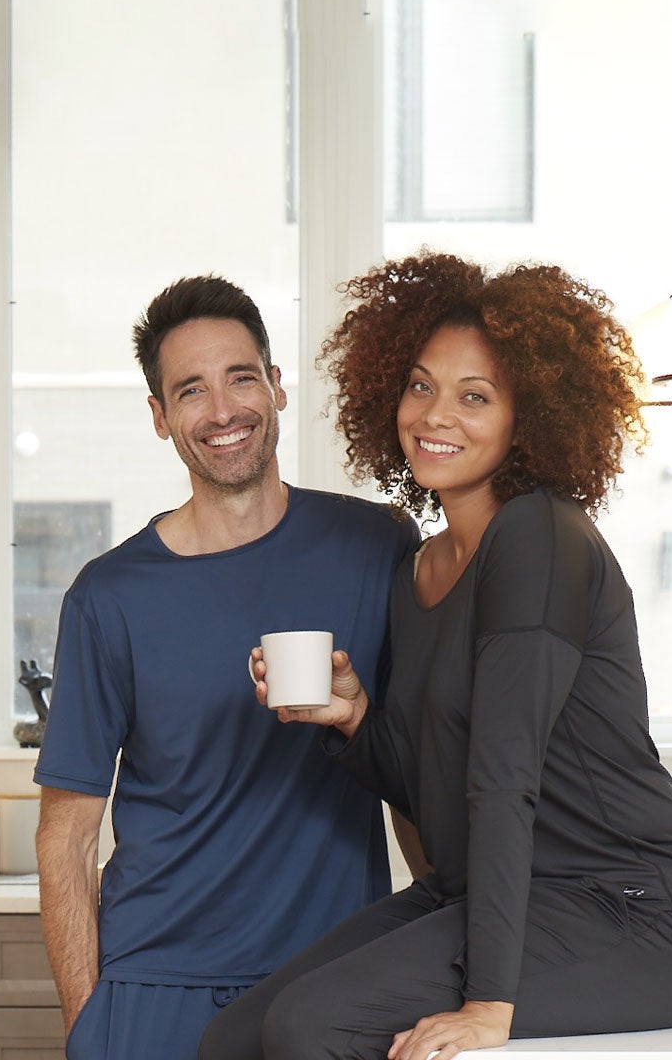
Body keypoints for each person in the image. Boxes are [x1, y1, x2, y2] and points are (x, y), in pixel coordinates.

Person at [198, 253, 672, 1060]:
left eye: (475, 396)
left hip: (628, 913)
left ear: (532, 417)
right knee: (232, 1040)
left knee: (309, 1029)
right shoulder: (422, 569)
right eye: (420, 386)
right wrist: (354, 719)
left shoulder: (539, 538)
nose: (435, 415)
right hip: (485, 894)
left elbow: (504, 777)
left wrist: (490, 1003)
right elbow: (434, 785)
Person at [34, 275, 423, 1060]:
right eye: (190, 391)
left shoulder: (377, 546)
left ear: (277, 387)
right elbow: (65, 840)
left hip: (332, 983)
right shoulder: (108, 597)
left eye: (241, 377)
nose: (222, 412)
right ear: (160, 417)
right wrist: (90, 1026)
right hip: (155, 990)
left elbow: (416, 770)